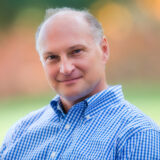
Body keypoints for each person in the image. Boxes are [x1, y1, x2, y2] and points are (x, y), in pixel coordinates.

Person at [0, 7, 160, 160]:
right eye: (52, 57)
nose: (65, 68)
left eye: (76, 52)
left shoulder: (138, 136)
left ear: (104, 50)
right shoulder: (20, 131)